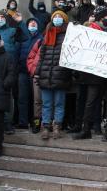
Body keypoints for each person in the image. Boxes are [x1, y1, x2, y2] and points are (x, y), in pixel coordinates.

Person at [73, 5, 107, 142]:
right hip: (94, 75)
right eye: (106, 18)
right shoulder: (90, 31)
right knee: (90, 102)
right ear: (99, 19)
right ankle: (86, 130)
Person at [0, 10, 28, 134]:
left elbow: (25, 37)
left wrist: (20, 23)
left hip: (7, 68)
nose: (0, 18)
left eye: (2, 17)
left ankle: (6, 123)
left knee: (6, 98)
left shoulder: (12, 30)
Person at [35, 11, 72, 140]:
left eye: (59, 17)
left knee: (59, 103)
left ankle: (57, 127)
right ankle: (45, 127)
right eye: (55, 17)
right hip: (46, 74)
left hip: (61, 75)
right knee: (46, 103)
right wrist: (37, 73)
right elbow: (41, 56)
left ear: (64, 19)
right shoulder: (47, 35)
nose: (56, 18)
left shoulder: (68, 35)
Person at [17, 18, 44, 129]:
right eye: (30, 23)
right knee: (22, 97)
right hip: (22, 71)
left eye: (35, 23)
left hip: (35, 73)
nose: (32, 24)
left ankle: (35, 122)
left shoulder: (41, 38)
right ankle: (23, 122)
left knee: (36, 99)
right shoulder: (22, 37)